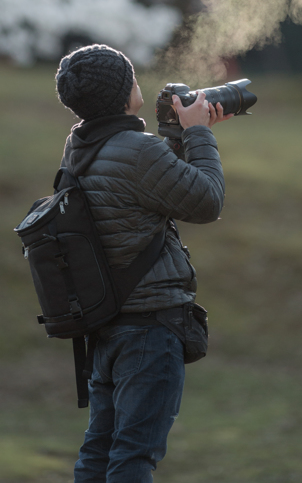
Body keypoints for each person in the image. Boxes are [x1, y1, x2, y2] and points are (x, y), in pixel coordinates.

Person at [55, 44, 231, 483]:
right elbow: (207, 200)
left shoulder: (80, 144)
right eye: (132, 79)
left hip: (108, 323)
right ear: (121, 91)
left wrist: (176, 132)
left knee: (99, 451)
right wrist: (199, 135)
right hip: (151, 329)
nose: (139, 85)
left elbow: (142, 186)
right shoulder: (134, 150)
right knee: (133, 456)